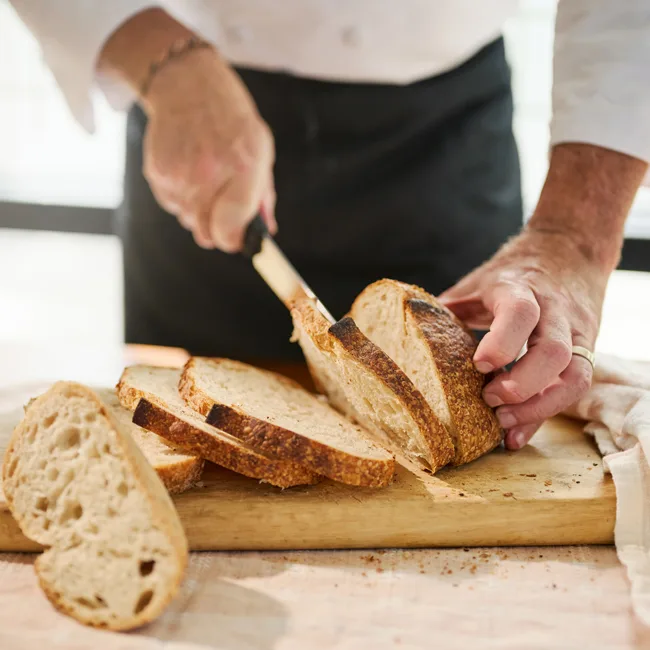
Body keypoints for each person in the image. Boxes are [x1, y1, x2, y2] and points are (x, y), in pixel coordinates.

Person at [9, 1, 650, 452]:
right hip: (194, 105)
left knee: (475, 412)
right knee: (184, 422)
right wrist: (155, 54)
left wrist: (573, 236)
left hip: (446, 138)